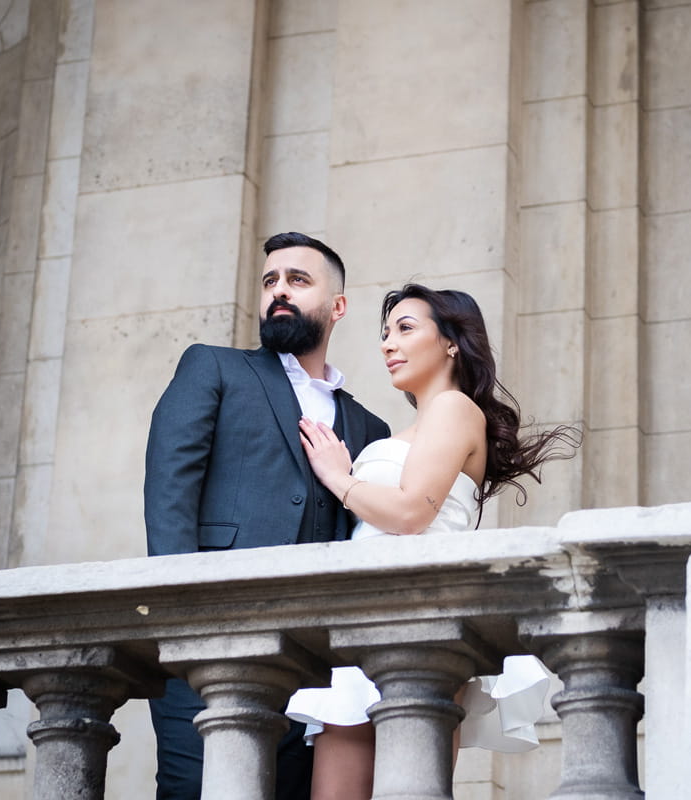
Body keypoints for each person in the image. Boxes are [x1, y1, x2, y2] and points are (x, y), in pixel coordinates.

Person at [287, 283, 578, 800]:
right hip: (363, 613)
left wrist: (339, 477)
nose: (386, 344)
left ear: (450, 343)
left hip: (417, 613)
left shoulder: (455, 409)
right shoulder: (416, 425)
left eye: (404, 328)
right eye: (384, 333)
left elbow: (410, 513)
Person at [144, 232, 390, 800]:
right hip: (206, 644)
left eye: (298, 280)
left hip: (314, 673)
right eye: (270, 280)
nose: (279, 291)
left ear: (338, 305)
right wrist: (184, 619)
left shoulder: (369, 428)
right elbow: (169, 491)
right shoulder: (213, 368)